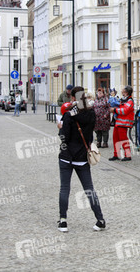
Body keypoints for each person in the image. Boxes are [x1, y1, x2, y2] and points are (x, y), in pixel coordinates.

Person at [57, 86, 105, 232]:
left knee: (65, 188)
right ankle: (100, 219)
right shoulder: (91, 114)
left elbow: (64, 137)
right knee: (89, 189)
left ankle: (63, 221)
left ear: (73, 98)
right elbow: (90, 135)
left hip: (66, 157)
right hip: (82, 157)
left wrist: (60, 128)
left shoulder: (69, 114)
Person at [109, 86, 135, 161]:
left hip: (124, 123)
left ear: (126, 92)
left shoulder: (129, 101)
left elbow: (125, 110)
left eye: (123, 91)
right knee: (115, 138)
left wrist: (115, 110)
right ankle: (116, 154)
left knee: (123, 139)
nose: (122, 92)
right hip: (118, 122)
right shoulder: (122, 100)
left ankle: (128, 155)